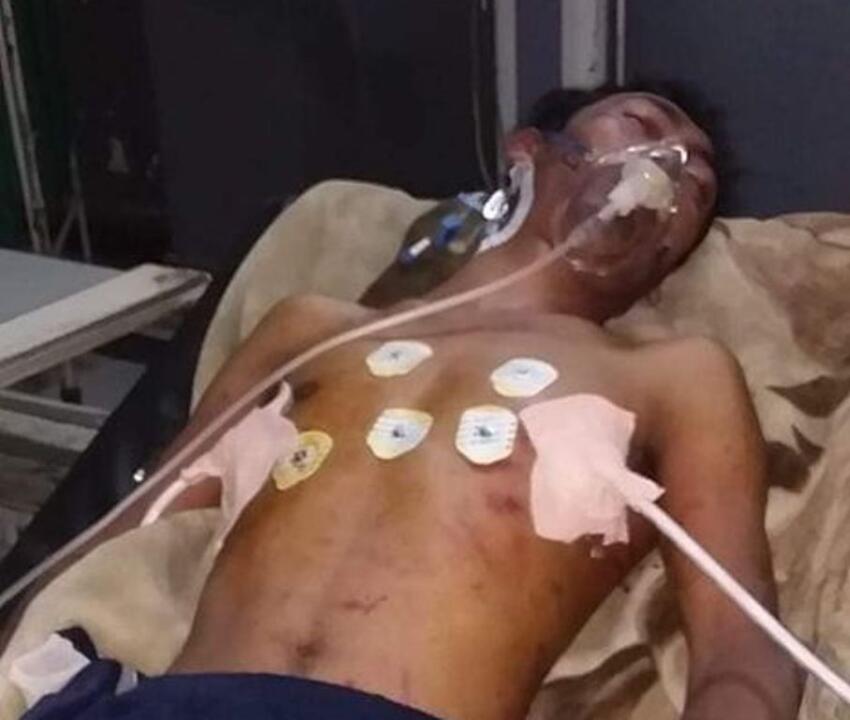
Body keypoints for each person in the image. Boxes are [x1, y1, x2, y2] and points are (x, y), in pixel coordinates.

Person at [19, 90, 802, 720]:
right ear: (527, 152)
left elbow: (742, 648)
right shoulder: (311, 329)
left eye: (696, 186)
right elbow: (132, 532)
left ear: (672, 256)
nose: (669, 168)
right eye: (641, 125)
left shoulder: (671, 376)